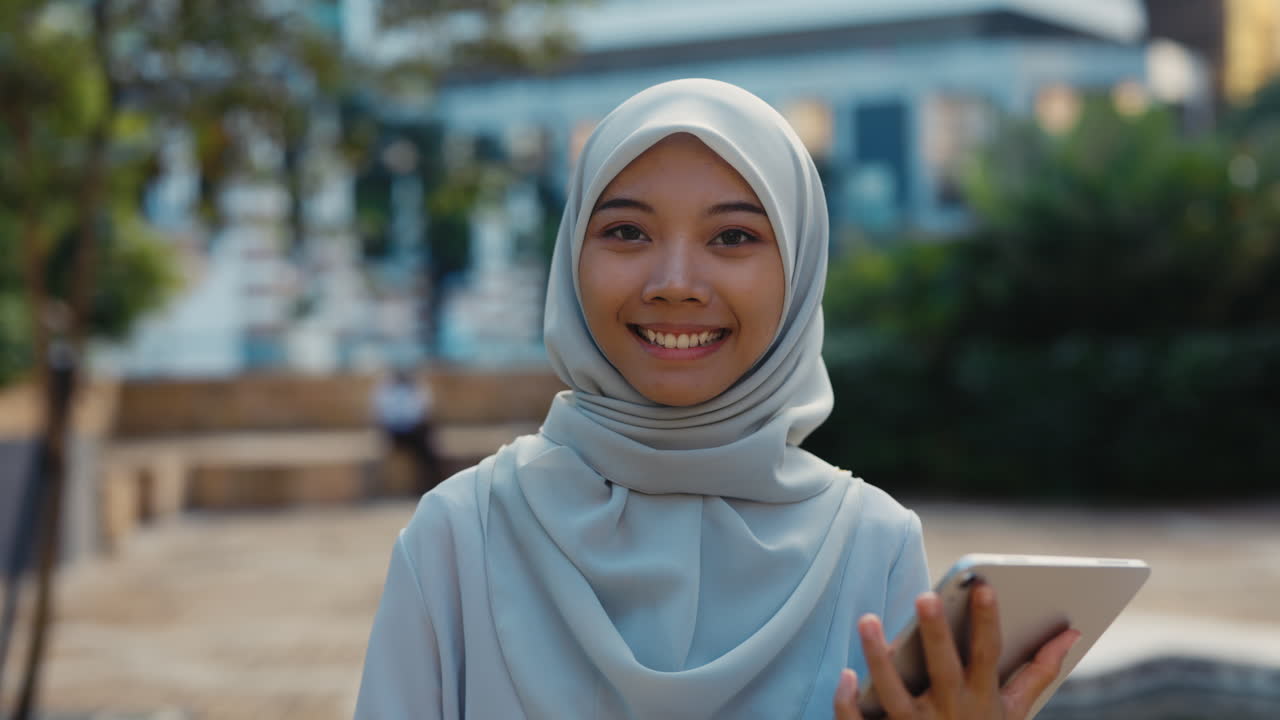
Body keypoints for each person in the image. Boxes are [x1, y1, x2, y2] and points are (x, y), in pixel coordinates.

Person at [353, 79, 1078, 719]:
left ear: (798, 272)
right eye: (627, 231)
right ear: (572, 255)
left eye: (733, 236)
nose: (675, 281)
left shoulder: (872, 548)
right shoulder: (460, 538)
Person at [372, 369, 442, 495]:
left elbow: (424, 411)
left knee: (428, 451)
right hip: (394, 433)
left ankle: (429, 484)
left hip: (414, 431)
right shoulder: (385, 389)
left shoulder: (417, 388)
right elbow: (381, 414)